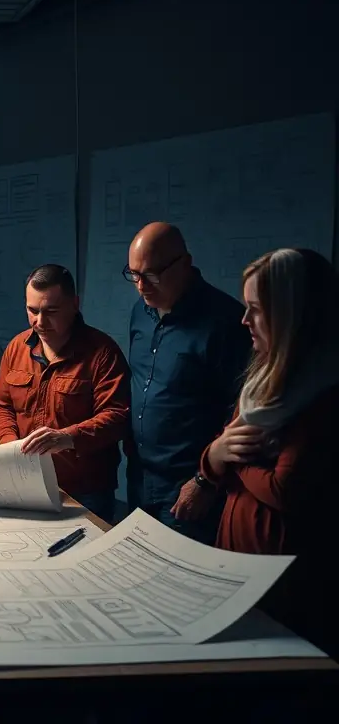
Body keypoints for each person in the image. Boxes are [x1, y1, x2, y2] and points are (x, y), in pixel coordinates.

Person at [194, 248, 339, 656]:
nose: (244, 321)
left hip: (290, 586)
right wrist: (220, 454)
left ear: (293, 315)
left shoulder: (324, 394)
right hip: (242, 570)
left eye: (255, 310)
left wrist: (232, 459)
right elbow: (217, 454)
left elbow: (285, 488)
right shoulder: (263, 378)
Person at [124, 222, 251, 542]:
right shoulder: (140, 312)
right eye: (134, 274)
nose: (141, 285)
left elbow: (240, 415)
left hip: (186, 487)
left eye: (151, 274)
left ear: (184, 263)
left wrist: (205, 482)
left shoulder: (226, 322)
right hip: (139, 479)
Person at [0, 265, 130, 523]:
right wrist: (9, 444)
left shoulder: (103, 353)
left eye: (51, 312)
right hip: (28, 485)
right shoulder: (15, 348)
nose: (40, 323)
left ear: (74, 304)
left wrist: (66, 438)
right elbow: (2, 405)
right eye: (32, 311)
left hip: (87, 492)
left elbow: (117, 417)